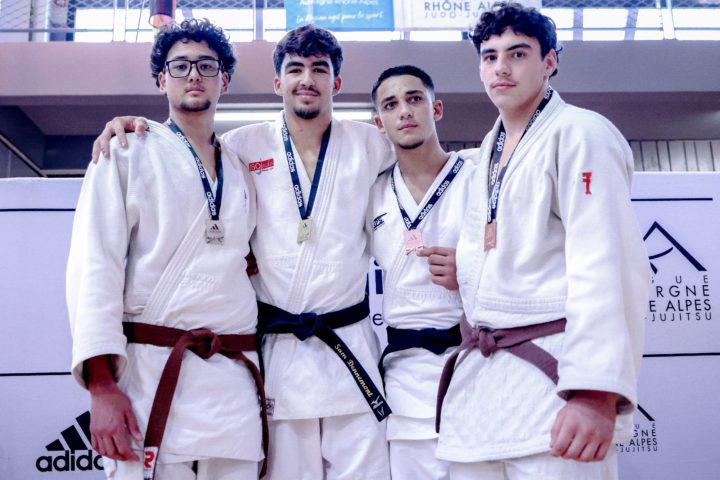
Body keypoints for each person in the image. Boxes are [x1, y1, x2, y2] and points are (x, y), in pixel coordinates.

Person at [91, 25, 394, 480]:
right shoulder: (235, 149)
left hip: (321, 352)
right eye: (295, 69)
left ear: (336, 82)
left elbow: (422, 167)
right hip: (243, 359)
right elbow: (98, 269)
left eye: (318, 69)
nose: (306, 79)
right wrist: (100, 382)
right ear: (276, 82)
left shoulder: (368, 145)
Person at [434, 3, 651, 479]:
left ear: (549, 61)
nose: (501, 68)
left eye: (517, 54)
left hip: (555, 384)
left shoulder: (582, 134)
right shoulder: (486, 153)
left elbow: (607, 264)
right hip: (484, 387)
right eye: (489, 57)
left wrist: (594, 391)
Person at [66, 19, 267, 480]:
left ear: (224, 80)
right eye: (180, 66)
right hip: (151, 377)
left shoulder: (240, 170)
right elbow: (94, 266)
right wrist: (101, 385)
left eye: (206, 65)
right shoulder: (126, 150)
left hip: (232, 386)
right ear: (161, 79)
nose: (194, 74)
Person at [368, 65, 477, 480]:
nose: (404, 112)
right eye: (391, 105)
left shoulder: (478, 178)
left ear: (437, 108)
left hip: (474, 359)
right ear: (379, 123)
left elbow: (524, 258)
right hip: (404, 373)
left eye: (415, 99)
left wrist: (472, 270)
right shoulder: (372, 192)